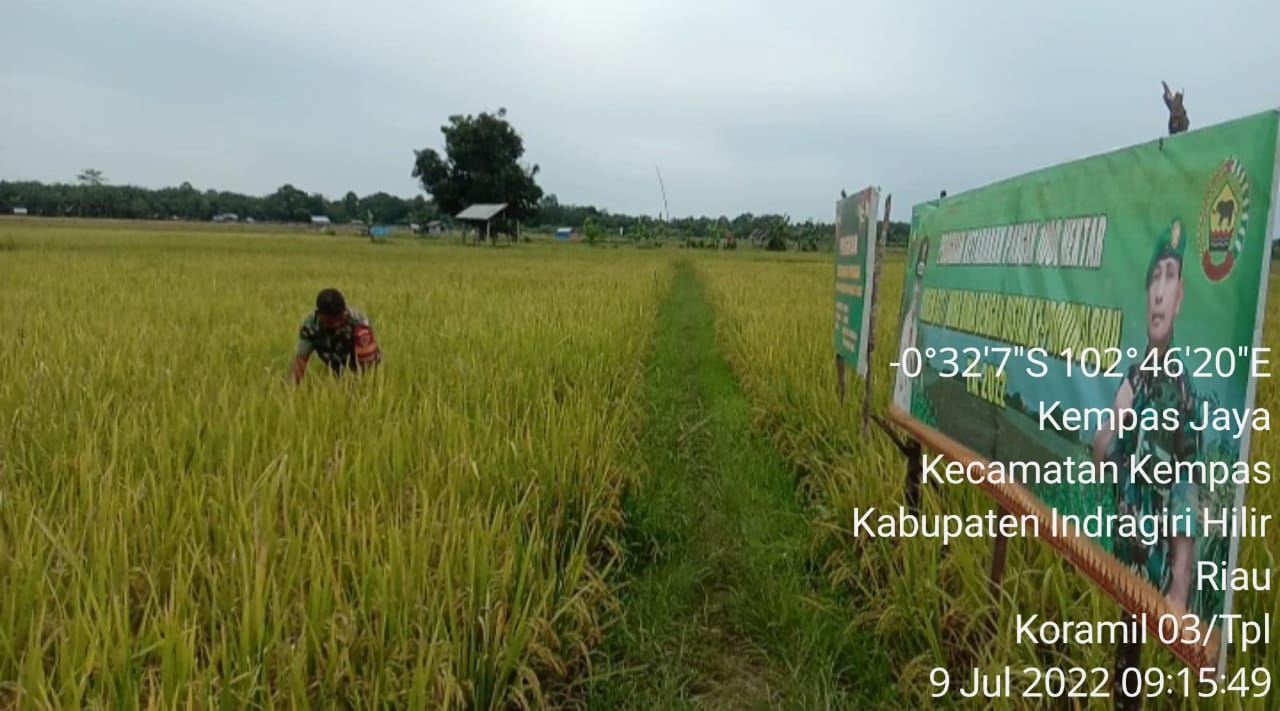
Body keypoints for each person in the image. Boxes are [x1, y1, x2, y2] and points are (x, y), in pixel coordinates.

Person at [1091, 219, 1200, 610]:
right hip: (1116, 562)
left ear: (1178, 297)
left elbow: (1187, 485)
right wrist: (1115, 418)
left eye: (1169, 277)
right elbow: (1099, 457)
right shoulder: (1132, 379)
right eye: (1154, 278)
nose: (1159, 292)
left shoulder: (1183, 391)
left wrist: (1180, 587)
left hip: (1154, 581)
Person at [291, 288, 382, 383]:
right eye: (330, 321)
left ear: (344, 311)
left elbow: (367, 367)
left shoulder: (360, 324)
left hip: (362, 362)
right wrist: (291, 390)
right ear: (318, 314)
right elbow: (300, 361)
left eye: (340, 319)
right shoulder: (311, 326)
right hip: (334, 365)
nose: (336, 324)